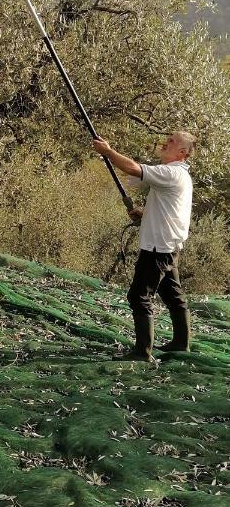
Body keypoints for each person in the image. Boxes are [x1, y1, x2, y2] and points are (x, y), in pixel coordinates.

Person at [92, 132, 195, 362]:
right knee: (173, 295)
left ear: (183, 152)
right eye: (168, 138)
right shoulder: (179, 176)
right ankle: (180, 342)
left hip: (158, 248)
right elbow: (168, 210)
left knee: (139, 296)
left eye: (172, 141)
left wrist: (108, 152)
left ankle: (142, 352)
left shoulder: (172, 173)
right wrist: (144, 213)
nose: (166, 142)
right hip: (168, 247)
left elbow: (133, 169)